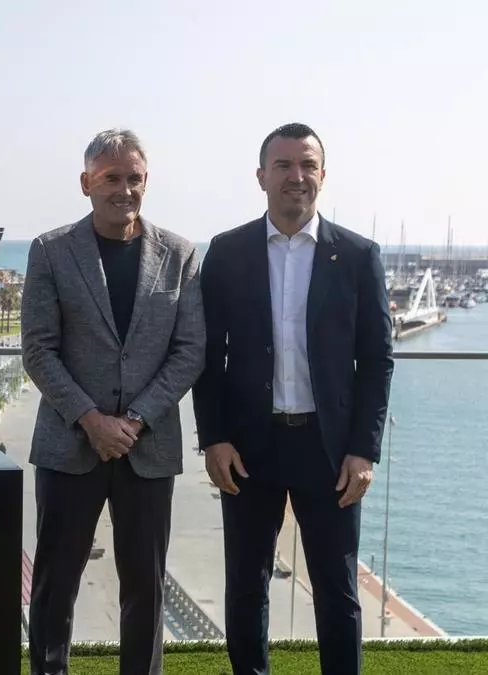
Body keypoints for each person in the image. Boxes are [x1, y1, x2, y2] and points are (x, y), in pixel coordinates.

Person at [192, 123, 394, 675]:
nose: (296, 176)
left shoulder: (358, 255)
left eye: (307, 165)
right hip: (248, 448)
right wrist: (214, 438)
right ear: (261, 177)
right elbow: (208, 357)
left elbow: (377, 360)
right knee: (245, 586)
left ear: (323, 176)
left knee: (338, 590)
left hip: (330, 451)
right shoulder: (227, 253)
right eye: (283, 165)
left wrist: (364, 450)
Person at [20, 128, 206, 675]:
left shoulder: (180, 255)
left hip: (147, 450)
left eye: (134, 178)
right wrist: (91, 420)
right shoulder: (51, 251)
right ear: (86, 183)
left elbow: (189, 352)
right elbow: (38, 350)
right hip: (69, 445)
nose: (124, 189)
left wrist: (134, 420)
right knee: (54, 585)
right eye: (110, 178)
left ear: (147, 181)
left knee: (145, 590)